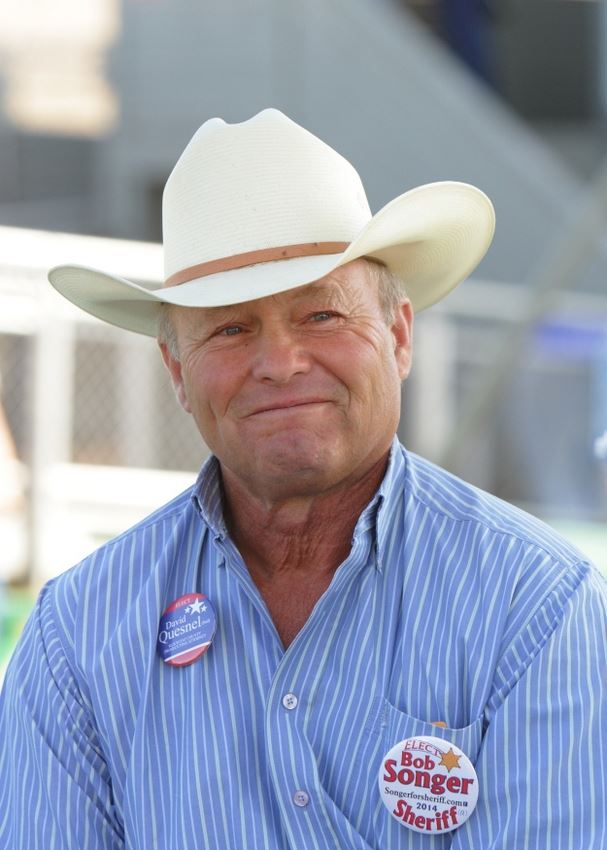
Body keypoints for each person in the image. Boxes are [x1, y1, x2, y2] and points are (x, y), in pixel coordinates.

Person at [0, 108, 605, 849]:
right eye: (229, 328)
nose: (281, 362)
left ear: (400, 336)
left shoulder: (535, 606)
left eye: (320, 315)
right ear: (177, 372)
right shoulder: (78, 634)